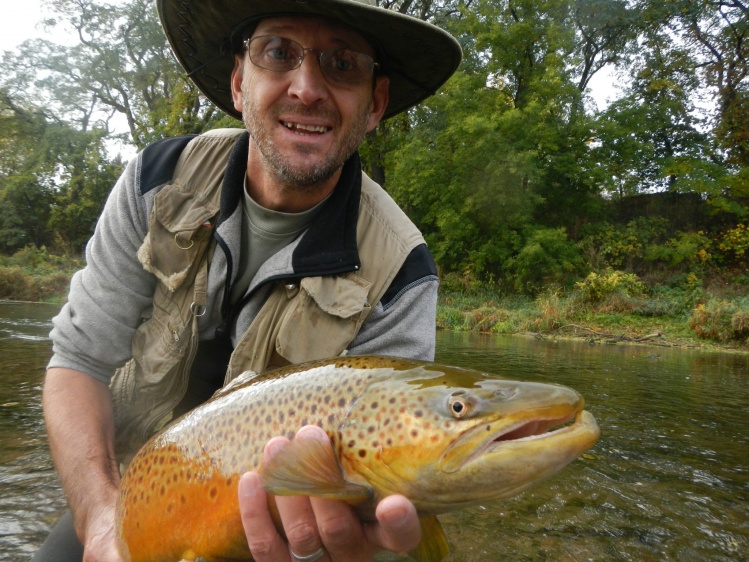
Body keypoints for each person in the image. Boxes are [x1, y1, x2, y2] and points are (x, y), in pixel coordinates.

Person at [35, 0, 461, 560]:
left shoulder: (401, 273)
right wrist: (100, 521)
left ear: (375, 103)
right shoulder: (156, 182)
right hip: (138, 493)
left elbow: (391, 468)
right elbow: (78, 363)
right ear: (239, 82)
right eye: (279, 53)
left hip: (283, 527)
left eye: (342, 64)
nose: (307, 88)